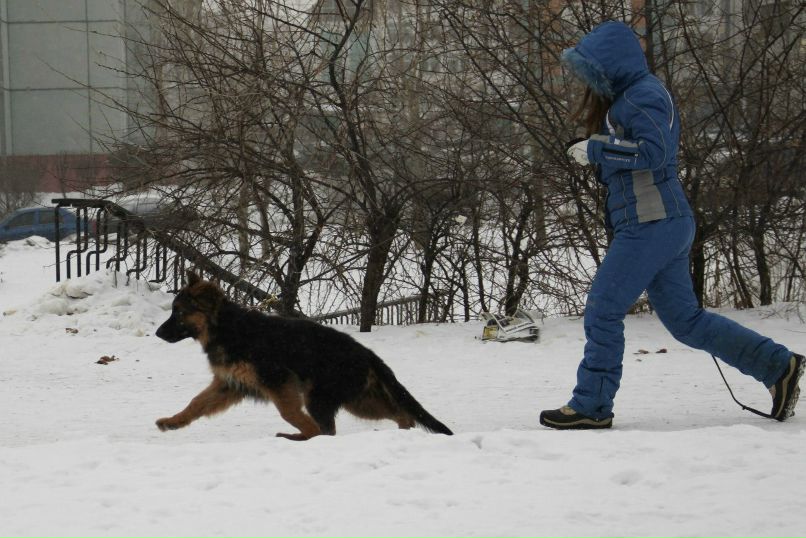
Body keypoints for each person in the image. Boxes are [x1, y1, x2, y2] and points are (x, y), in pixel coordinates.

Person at [539, 20, 804, 430]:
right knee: (686, 322)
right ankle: (778, 365)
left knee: (603, 308)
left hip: (652, 223)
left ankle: (592, 404)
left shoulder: (643, 95)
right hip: (660, 222)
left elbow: (655, 154)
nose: (589, 80)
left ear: (612, 63)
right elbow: (638, 157)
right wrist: (596, 150)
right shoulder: (631, 99)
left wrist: (597, 148)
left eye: (593, 69)